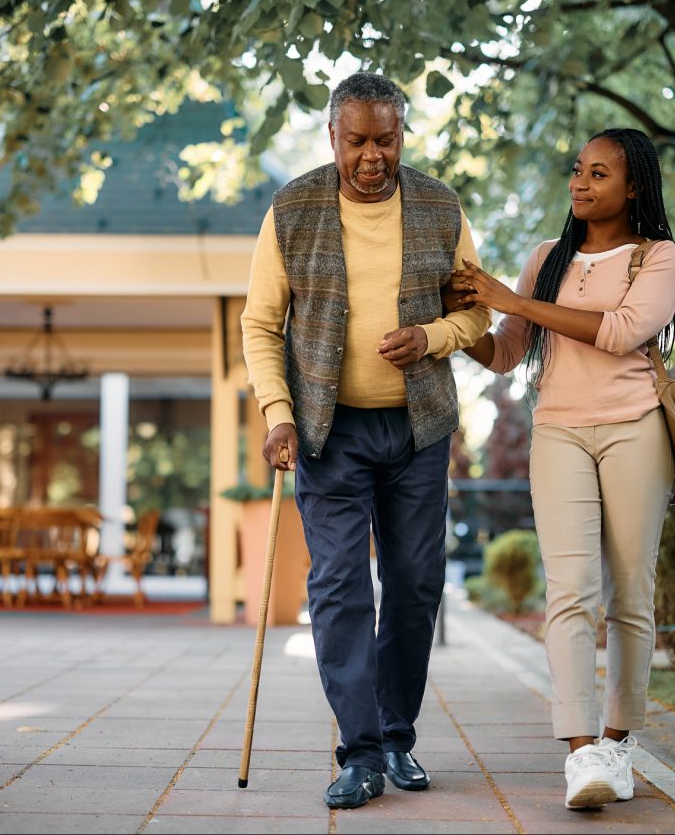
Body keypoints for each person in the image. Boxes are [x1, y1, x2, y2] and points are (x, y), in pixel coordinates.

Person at [240, 72, 491, 810]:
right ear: (333, 137)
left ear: (401, 135)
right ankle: (359, 751)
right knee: (340, 585)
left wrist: (433, 336)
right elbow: (261, 324)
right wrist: (276, 412)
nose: (373, 156)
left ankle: (396, 734)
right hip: (328, 428)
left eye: (387, 139)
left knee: (415, 585)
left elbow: (476, 316)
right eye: (359, 141)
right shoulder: (293, 208)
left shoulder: (441, 205)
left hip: (417, 428)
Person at [448, 128, 675, 810]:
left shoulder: (656, 257)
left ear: (633, 185)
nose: (581, 183)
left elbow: (618, 332)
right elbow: (505, 353)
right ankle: (582, 751)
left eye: (599, 173)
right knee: (571, 590)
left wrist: (510, 298)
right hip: (558, 433)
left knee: (630, 596)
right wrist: (457, 325)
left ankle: (619, 740)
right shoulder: (545, 259)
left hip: (635, 430)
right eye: (578, 170)